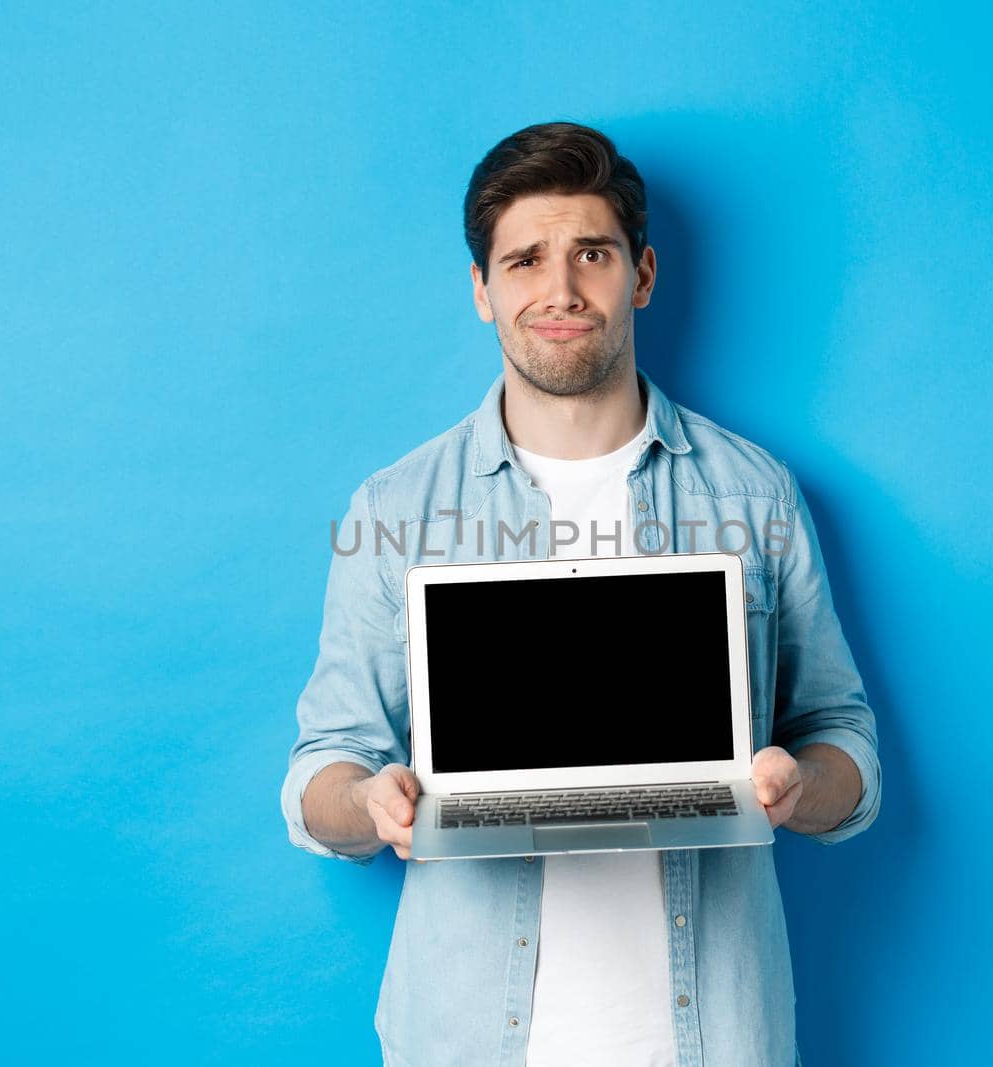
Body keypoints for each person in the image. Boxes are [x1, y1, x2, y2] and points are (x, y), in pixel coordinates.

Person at [280, 120, 881, 1067]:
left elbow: (844, 739)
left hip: (713, 1037)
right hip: (467, 1039)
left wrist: (798, 787)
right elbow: (321, 772)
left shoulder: (754, 493)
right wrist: (373, 802)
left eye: (590, 254)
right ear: (483, 290)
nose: (558, 290)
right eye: (524, 260)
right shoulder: (394, 509)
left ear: (640, 275)